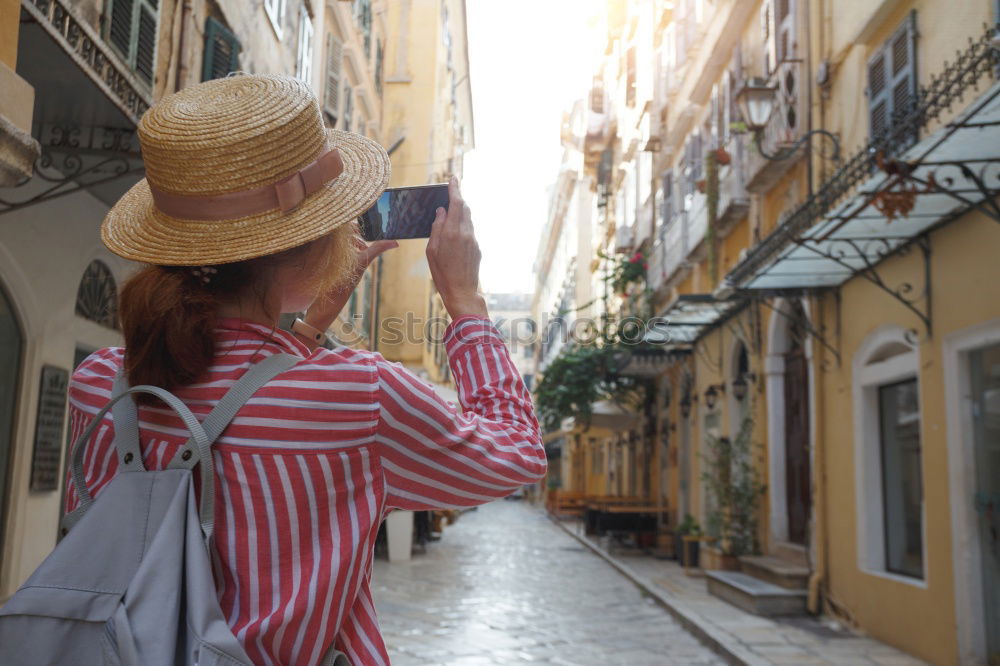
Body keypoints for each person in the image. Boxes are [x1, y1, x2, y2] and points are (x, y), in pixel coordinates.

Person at [65, 74, 545, 666]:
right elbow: (517, 455)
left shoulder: (100, 385)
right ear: (314, 245)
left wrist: (305, 334)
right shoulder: (362, 397)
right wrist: (467, 303)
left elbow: (234, 400)